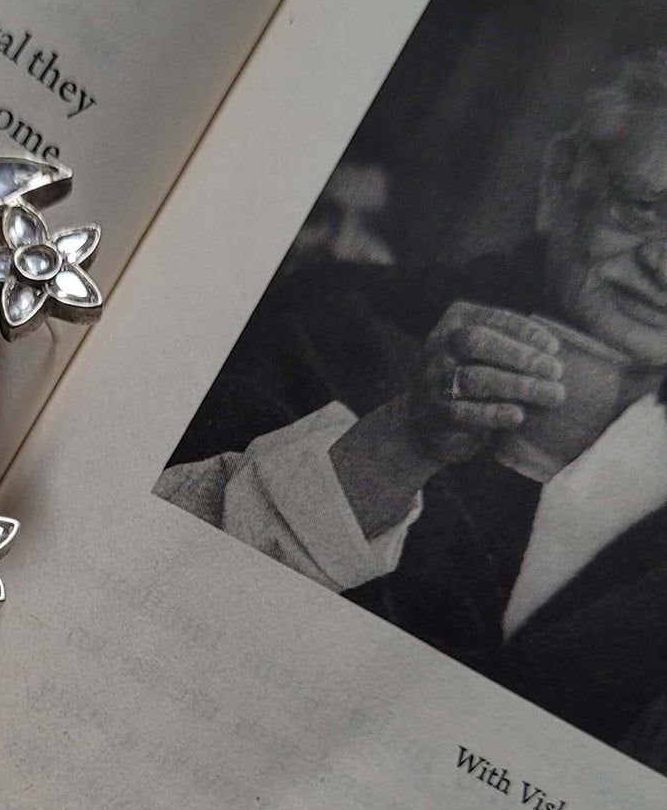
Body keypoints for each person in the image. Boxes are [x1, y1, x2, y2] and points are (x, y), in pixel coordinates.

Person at [156, 45, 667, 757]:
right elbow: (163, 579)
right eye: (643, 207)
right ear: (561, 178)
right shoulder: (333, 319)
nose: (663, 264)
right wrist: (400, 442)